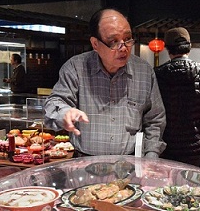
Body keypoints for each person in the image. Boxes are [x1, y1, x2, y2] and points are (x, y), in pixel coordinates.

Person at [44, 8, 166, 158]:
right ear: (95, 44)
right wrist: (65, 112)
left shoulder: (144, 71)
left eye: (127, 39)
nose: (124, 48)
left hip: (129, 163)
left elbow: (155, 120)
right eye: (113, 42)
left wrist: (151, 155)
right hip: (85, 162)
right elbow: (54, 103)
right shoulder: (76, 68)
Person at [154, 27, 200, 167]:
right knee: (191, 185)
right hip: (196, 146)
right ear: (189, 47)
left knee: (167, 185)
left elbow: (150, 112)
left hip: (166, 145)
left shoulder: (158, 75)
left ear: (167, 49)